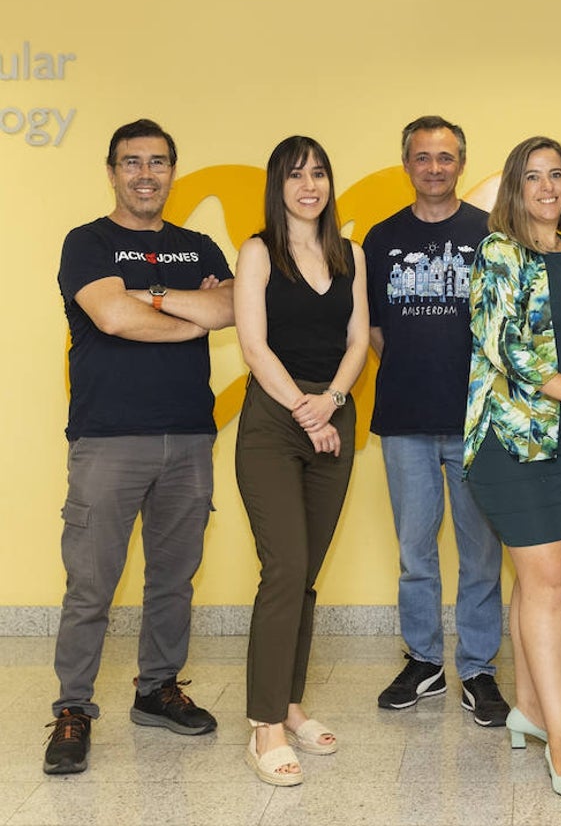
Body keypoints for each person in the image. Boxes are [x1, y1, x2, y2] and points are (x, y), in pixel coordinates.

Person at [45, 118, 233, 776]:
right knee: (90, 586)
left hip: (188, 437)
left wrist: (151, 297)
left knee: (173, 581)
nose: (146, 173)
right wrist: (187, 315)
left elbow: (230, 309)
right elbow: (111, 315)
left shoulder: (200, 245)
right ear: (112, 171)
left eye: (157, 162)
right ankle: (72, 708)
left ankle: (157, 689)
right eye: (132, 162)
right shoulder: (86, 243)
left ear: (172, 172)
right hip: (107, 439)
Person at [463, 136, 561, 803]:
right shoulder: (498, 251)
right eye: (534, 175)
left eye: (557, 173)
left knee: (544, 579)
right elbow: (503, 343)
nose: (547, 185)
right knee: (548, 580)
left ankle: (527, 706)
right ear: (515, 189)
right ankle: (560, 734)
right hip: (512, 441)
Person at [233, 136, 369, 786]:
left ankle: (289, 704)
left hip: (332, 419)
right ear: (277, 185)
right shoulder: (258, 252)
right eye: (295, 174)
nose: (308, 184)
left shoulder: (351, 255)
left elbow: (356, 341)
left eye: (318, 172)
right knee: (284, 567)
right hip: (273, 424)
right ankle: (263, 727)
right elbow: (255, 346)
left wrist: (333, 401)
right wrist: (304, 410)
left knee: (306, 572)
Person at [365, 116, 508, 726]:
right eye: (422, 157)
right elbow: (371, 330)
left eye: (444, 157)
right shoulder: (379, 238)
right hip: (404, 420)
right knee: (415, 550)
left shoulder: (490, 235)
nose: (433, 167)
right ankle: (423, 660)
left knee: (480, 554)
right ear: (407, 165)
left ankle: (477, 668)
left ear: (461, 165)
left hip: (476, 422)